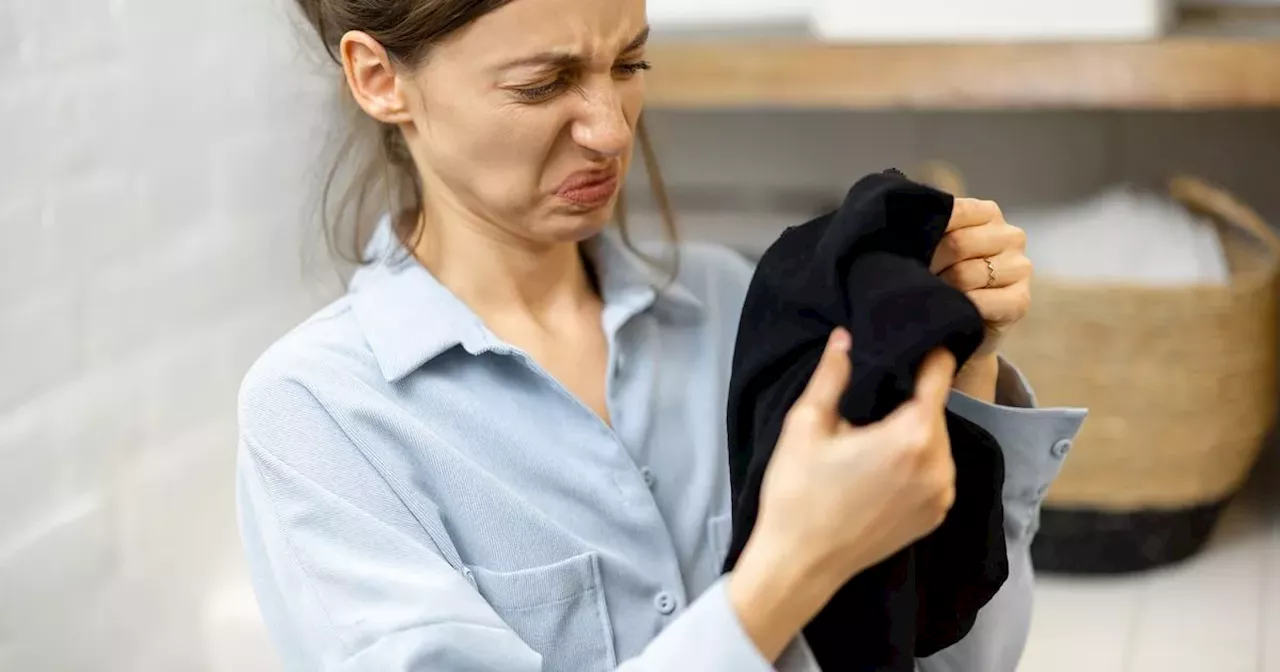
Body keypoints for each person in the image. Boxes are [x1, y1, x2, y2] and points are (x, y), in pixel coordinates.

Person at [235, 0, 1088, 670]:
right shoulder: (320, 415)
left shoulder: (737, 307)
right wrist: (787, 574)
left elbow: (953, 659)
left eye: (630, 62)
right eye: (542, 83)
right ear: (380, 77)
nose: (612, 128)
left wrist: (964, 363)